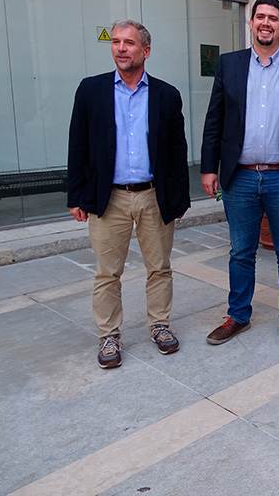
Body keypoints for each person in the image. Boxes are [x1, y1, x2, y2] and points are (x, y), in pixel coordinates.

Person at [201, 0, 279, 349]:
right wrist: (209, 168)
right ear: (252, 23)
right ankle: (238, 314)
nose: (266, 23)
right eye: (260, 17)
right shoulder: (230, 65)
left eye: (273, 18)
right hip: (238, 177)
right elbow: (215, 121)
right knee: (241, 251)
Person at [67, 19, 191, 369]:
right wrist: (76, 195)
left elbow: (177, 150)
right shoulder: (91, 91)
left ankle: (160, 326)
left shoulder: (167, 95)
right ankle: (109, 335)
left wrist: (180, 196)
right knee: (107, 272)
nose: (121, 48)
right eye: (116, 42)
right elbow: (78, 144)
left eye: (129, 43)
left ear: (146, 51)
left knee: (160, 267)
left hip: (154, 195)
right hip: (110, 198)